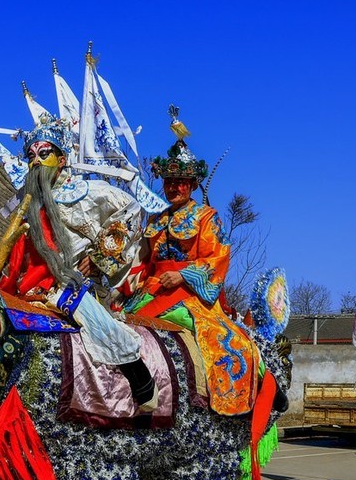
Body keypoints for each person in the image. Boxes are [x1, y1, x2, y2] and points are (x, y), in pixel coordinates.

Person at [0, 114, 155, 406]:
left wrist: (100, 257)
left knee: (92, 317)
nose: (36, 163)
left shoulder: (87, 193)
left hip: (71, 284)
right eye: (31, 156)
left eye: (44, 154)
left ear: (63, 158)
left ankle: (137, 374)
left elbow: (132, 210)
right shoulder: (25, 202)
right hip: (25, 286)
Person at [109, 110, 260, 416]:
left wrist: (183, 276)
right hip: (151, 290)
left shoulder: (206, 217)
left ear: (191, 184)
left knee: (222, 341)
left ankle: (214, 396)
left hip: (189, 293)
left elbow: (217, 257)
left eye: (180, 182)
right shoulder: (156, 219)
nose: (173, 187)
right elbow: (144, 261)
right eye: (169, 181)